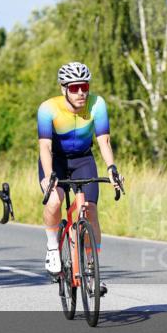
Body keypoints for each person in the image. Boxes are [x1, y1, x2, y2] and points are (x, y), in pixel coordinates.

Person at [37, 62, 119, 281]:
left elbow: (104, 141)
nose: (81, 92)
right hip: (56, 160)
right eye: (74, 88)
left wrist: (112, 168)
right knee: (55, 200)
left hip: (83, 160)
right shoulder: (48, 109)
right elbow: (44, 146)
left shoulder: (97, 105)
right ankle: (53, 248)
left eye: (84, 86)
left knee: (90, 210)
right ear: (64, 89)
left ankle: (92, 267)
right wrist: (48, 176)